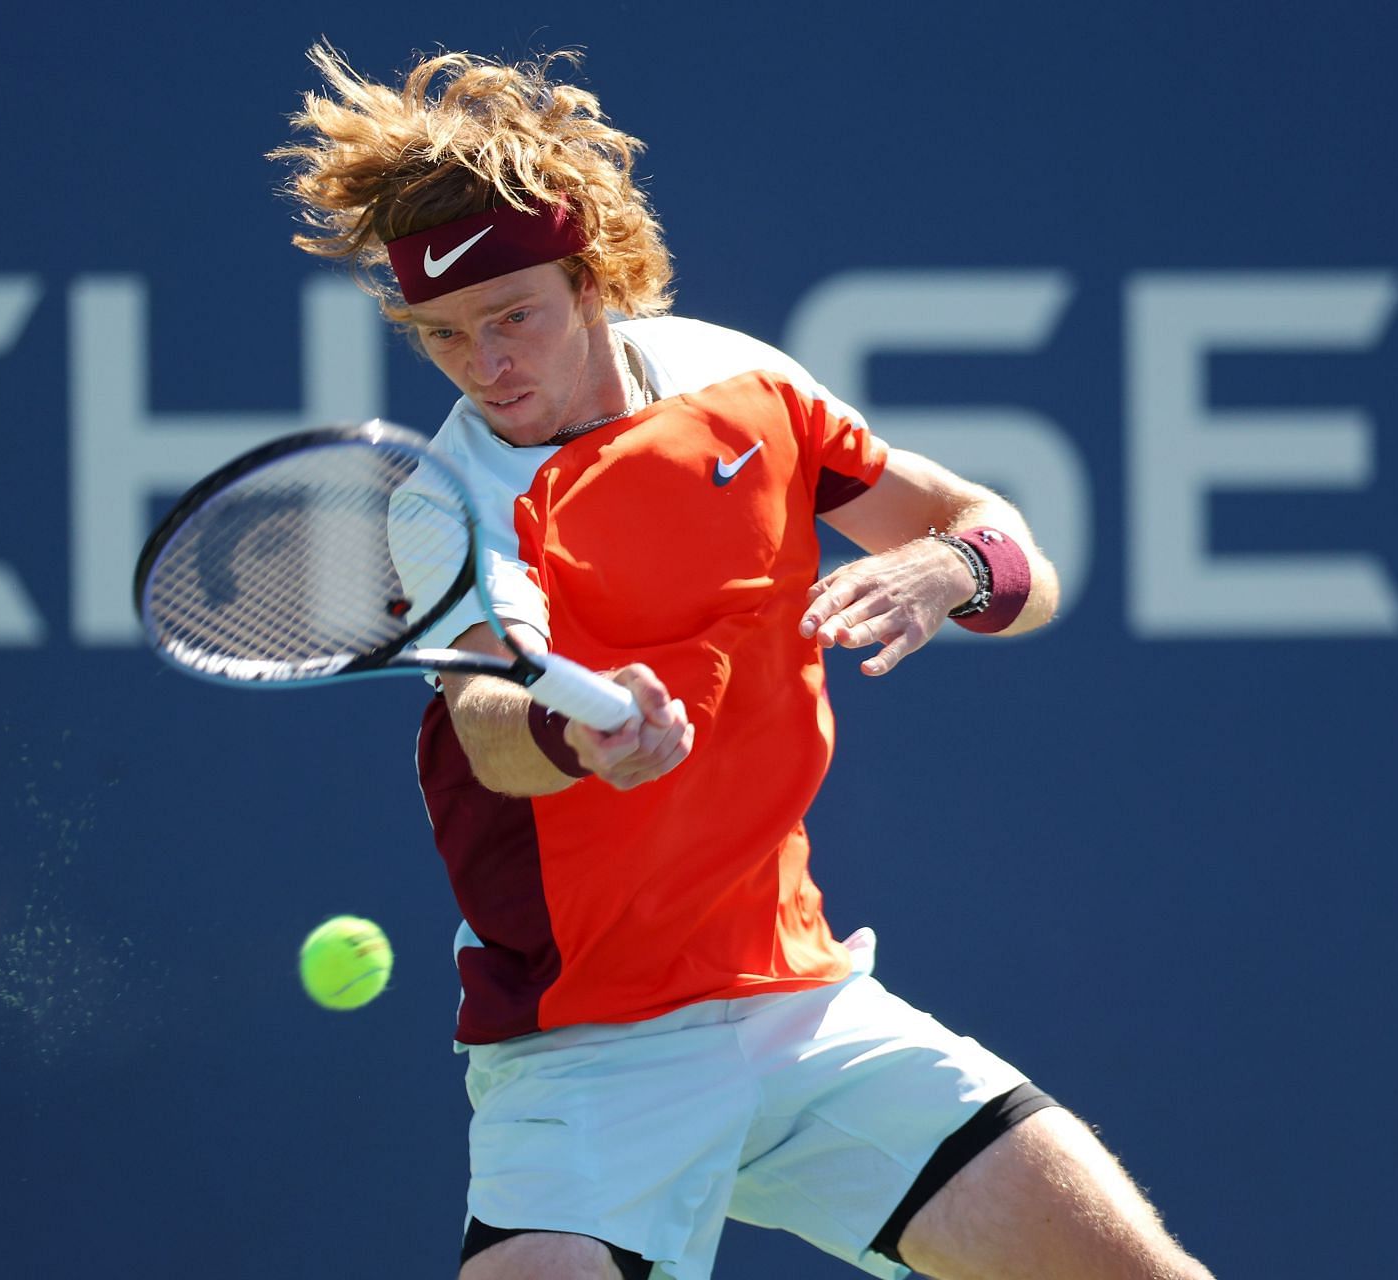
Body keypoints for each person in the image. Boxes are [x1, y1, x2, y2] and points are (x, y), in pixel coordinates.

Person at [272, 44, 1215, 1280]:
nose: (487, 363)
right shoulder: (449, 498)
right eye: (447, 336)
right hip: (585, 1052)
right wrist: (579, 740)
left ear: (592, 274)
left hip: (804, 1004)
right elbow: (492, 724)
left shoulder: (744, 383)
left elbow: (997, 536)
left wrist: (948, 570)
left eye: (514, 316)